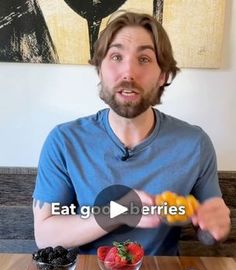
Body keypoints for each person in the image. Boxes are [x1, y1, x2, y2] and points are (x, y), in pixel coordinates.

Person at [33, 11, 230, 255]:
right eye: (116, 56)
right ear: (100, 70)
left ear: (163, 75)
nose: (128, 73)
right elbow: (45, 236)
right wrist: (116, 213)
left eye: (144, 59)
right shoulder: (64, 141)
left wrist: (214, 228)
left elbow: (208, 231)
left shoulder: (195, 144)